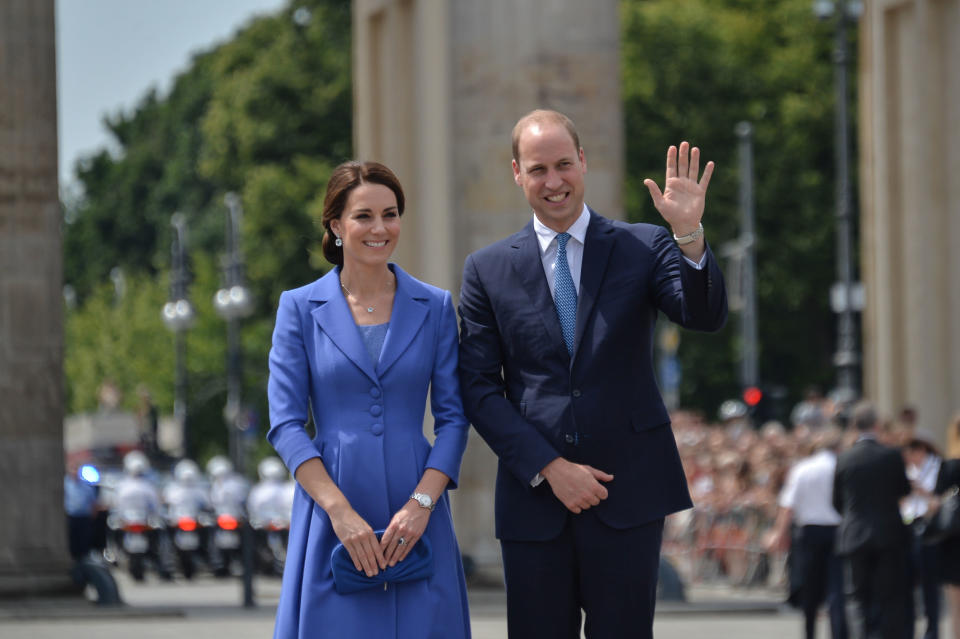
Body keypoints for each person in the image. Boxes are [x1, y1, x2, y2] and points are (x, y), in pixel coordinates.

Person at [458, 108, 727, 638]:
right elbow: (479, 388)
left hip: (628, 494)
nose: (553, 181)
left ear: (583, 161)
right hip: (536, 499)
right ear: (517, 173)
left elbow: (703, 316)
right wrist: (551, 467)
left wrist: (689, 233)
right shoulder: (487, 269)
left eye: (563, 164)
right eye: (538, 169)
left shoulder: (645, 245)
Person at [266, 161, 471, 638]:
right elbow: (287, 424)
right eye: (363, 216)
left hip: (418, 510)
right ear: (336, 225)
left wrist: (422, 503)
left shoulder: (436, 306)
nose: (380, 228)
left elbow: (455, 419)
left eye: (390, 214)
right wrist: (340, 513)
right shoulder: (298, 308)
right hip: (331, 508)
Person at [832, 401, 911, 639]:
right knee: (888, 596)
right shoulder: (891, 455)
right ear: (877, 425)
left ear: (856, 426)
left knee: (856, 597)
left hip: (854, 535)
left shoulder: (844, 458)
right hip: (888, 535)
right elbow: (904, 490)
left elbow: (837, 502)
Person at [767, 429, 848, 639]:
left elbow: (788, 505)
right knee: (837, 588)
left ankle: (810, 633)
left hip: (809, 531)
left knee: (810, 587)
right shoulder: (842, 467)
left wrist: (779, 532)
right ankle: (839, 633)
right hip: (837, 530)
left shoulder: (802, 468)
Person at [902, 429, 943, 639]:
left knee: (930, 583)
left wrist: (919, 490)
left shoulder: (937, 467)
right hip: (909, 524)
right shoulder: (908, 470)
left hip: (929, 527)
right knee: (908, 581)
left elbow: (939, 499)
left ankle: (932, 629)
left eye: (912, 453)